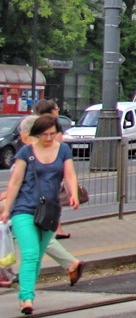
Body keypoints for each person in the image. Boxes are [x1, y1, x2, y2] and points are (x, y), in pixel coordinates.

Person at [2, 114, 80, 314]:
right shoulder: (26, 152)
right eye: (44, 134)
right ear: (36, 134)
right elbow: (15, 182)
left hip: (50, 212)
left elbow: (69, 174)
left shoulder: (63, 150)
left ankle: (28, 292)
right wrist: (6, 210)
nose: (48, 138)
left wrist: (73, 194)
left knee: (36, 257)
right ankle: (26, 298)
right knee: (30, 253)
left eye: (52, 134)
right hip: (24, 209)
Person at [33, 100, 71, 240]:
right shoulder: (54, 124)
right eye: (57, 108)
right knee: (52, 198)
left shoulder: (34, 122)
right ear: (53, 110)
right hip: (51, 165)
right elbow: (58, 144)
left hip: (35, 165)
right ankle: (56, 228)